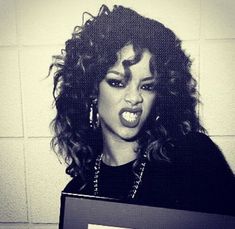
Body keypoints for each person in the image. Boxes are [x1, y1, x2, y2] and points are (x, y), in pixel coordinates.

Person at [50, 5, 235, 215]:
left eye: (147, 86)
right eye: (118, 82)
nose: (134, 98)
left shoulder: (194, 156)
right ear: (91, 90)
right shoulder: (79, 193)